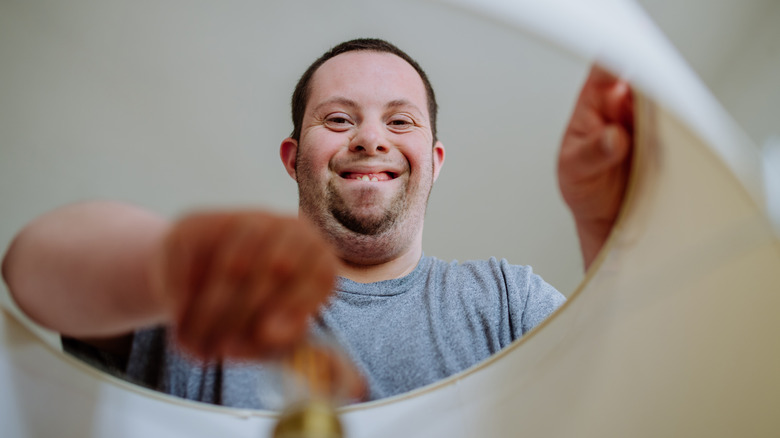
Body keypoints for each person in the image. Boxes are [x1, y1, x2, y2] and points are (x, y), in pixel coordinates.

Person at [1, 39, 633, 408]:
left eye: (401, 121)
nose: (369, 139)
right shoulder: (206, 298)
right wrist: (173, 262)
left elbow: (642, 395)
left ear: (434, 163)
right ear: (293, 158)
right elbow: (31, 268)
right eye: (337, 119)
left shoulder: (506, 302)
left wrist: (615, 237)